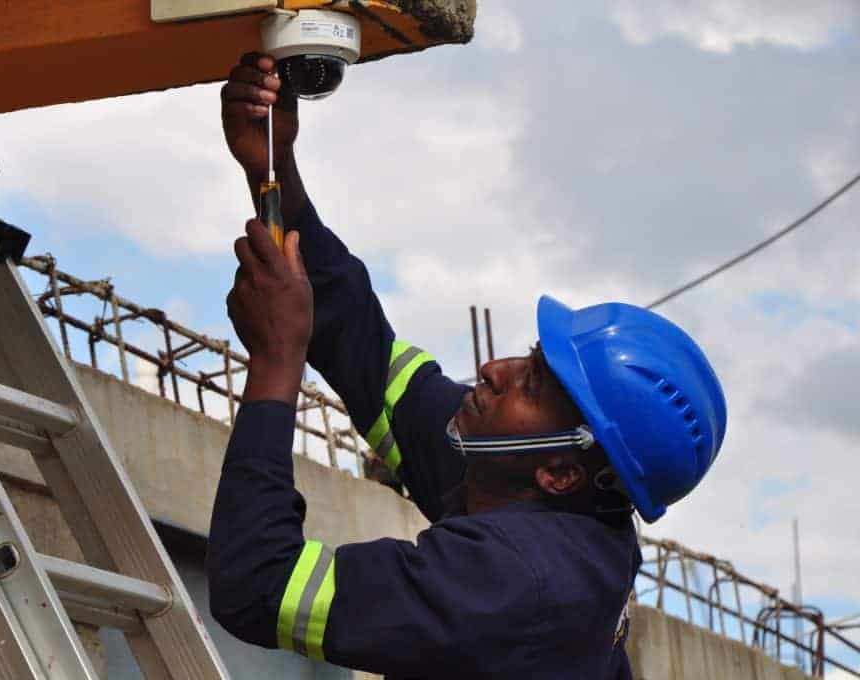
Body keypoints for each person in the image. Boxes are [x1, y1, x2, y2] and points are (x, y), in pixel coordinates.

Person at [207, 53, 727, 679]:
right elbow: (365, 350)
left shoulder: (519, 580)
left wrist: (276, 359)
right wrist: (273, 168)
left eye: (531, 384)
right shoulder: (529, 481)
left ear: (562, 471)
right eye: (528, 358)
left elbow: (259, 585)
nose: (493, 369)